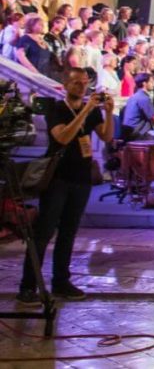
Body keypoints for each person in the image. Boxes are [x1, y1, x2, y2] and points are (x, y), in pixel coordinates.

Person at [16, 66, 114, 305]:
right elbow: (63, 137)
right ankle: (28, 285)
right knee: (44, 232)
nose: (82, 87)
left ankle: (61, 281)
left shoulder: (91, 111)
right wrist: (86, 109)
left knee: (69, 232)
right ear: (66, 85)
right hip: (57, 178)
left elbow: (107, 137)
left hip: (81, 178)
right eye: (77, 83)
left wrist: (109, 113)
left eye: (85, 83)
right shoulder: (56, 109)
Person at [120, 72, 154, 140]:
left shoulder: (134, 96)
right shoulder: (143, 98)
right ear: (144, 83)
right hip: (137, 134)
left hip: (130, 132)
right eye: (151, 82)